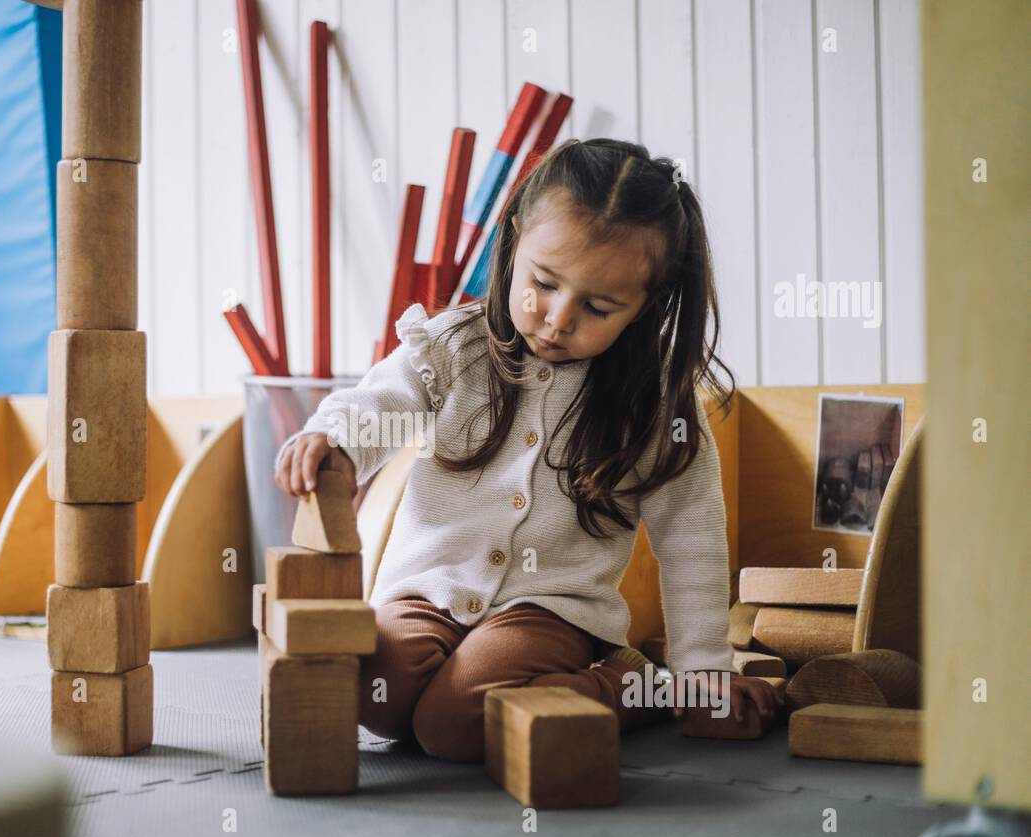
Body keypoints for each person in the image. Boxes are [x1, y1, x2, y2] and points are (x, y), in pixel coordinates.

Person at [275, 138, 784, 761]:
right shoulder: (452, 348)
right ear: (513, 242)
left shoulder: (653, 406)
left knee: (454, 724)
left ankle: (633, 687)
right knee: (372, 691)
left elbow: (692, 541)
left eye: (598, 306)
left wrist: (703, 670)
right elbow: (383, 404)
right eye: (543, 283)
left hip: (548, 611)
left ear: (646, 304)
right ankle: (463, 690)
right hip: (424, 591)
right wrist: (334, 438)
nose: (557, 319)